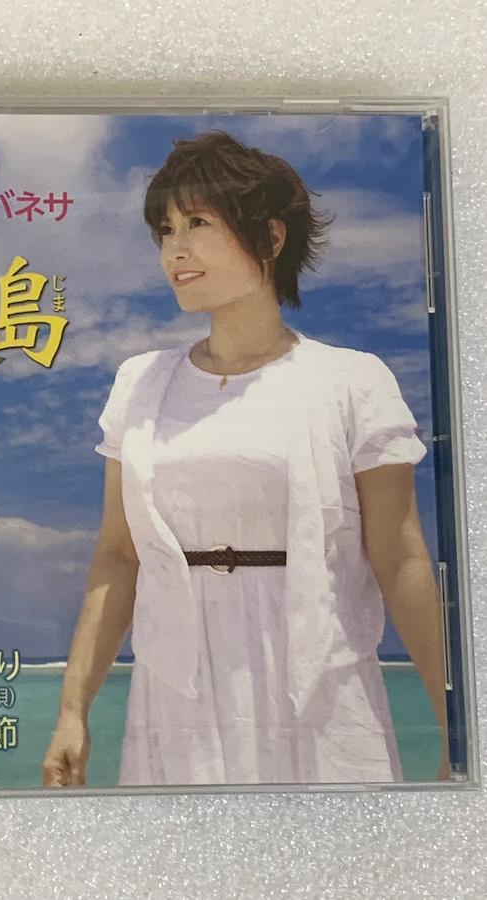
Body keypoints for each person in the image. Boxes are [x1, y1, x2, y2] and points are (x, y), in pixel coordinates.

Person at [42, 131, 450, 787]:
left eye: (198, 223)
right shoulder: (141, 383)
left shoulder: (351, 381)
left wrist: (457, 725)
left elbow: (399, 558)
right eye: (165, 230)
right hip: (176, 692)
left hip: (318, 686)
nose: (175, 249)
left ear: (270, 236)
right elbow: (118, 554)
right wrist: (72, 712)